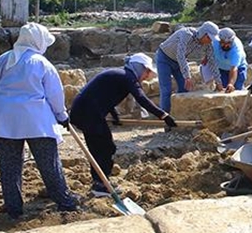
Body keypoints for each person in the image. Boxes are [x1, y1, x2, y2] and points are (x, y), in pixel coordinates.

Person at [0, 22, 79, 219]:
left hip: (5, 120)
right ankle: (65, 202)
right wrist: (62, 116)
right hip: (36, 121)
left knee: (9, 167)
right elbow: (55, 94)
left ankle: (13, 208)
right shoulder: (42, 63)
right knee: (49, 164)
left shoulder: (3, 60)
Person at [69, 53, 178, 196]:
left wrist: (115, 115)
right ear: (139, 68)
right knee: (105, 147)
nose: (146, 76)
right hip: (88, 113)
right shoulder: (128, 77)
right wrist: (164, 115)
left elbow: (104, 96)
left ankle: (100, 182)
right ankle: (100, 185)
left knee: (100, 148)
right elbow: (141, 99)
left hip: (85, 111)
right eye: (147, 72)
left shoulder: (121, 75)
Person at [155, 21, 219, 113]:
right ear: (203, 34)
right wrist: (187, 76)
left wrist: (218, 82)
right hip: (164, 58)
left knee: (185, 88)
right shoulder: (186, 34)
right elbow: (180, 55)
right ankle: (165, 119)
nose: (210, 41)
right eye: (209, 38)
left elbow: (212, 61)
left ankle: (179, 115)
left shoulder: (208, 44)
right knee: (166, 90)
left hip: (178, 62)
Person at [203, 27, 247, 92]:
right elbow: (210, 50)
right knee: (222, 88)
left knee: (236, 88)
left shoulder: (237, 50)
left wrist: (231, 84)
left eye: (228, 43)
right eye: (223, 43)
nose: (225, 46)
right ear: (219, 40)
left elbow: (234, 68)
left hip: (238, 68)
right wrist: (206, 58)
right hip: (221, 68)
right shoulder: (214, 42)